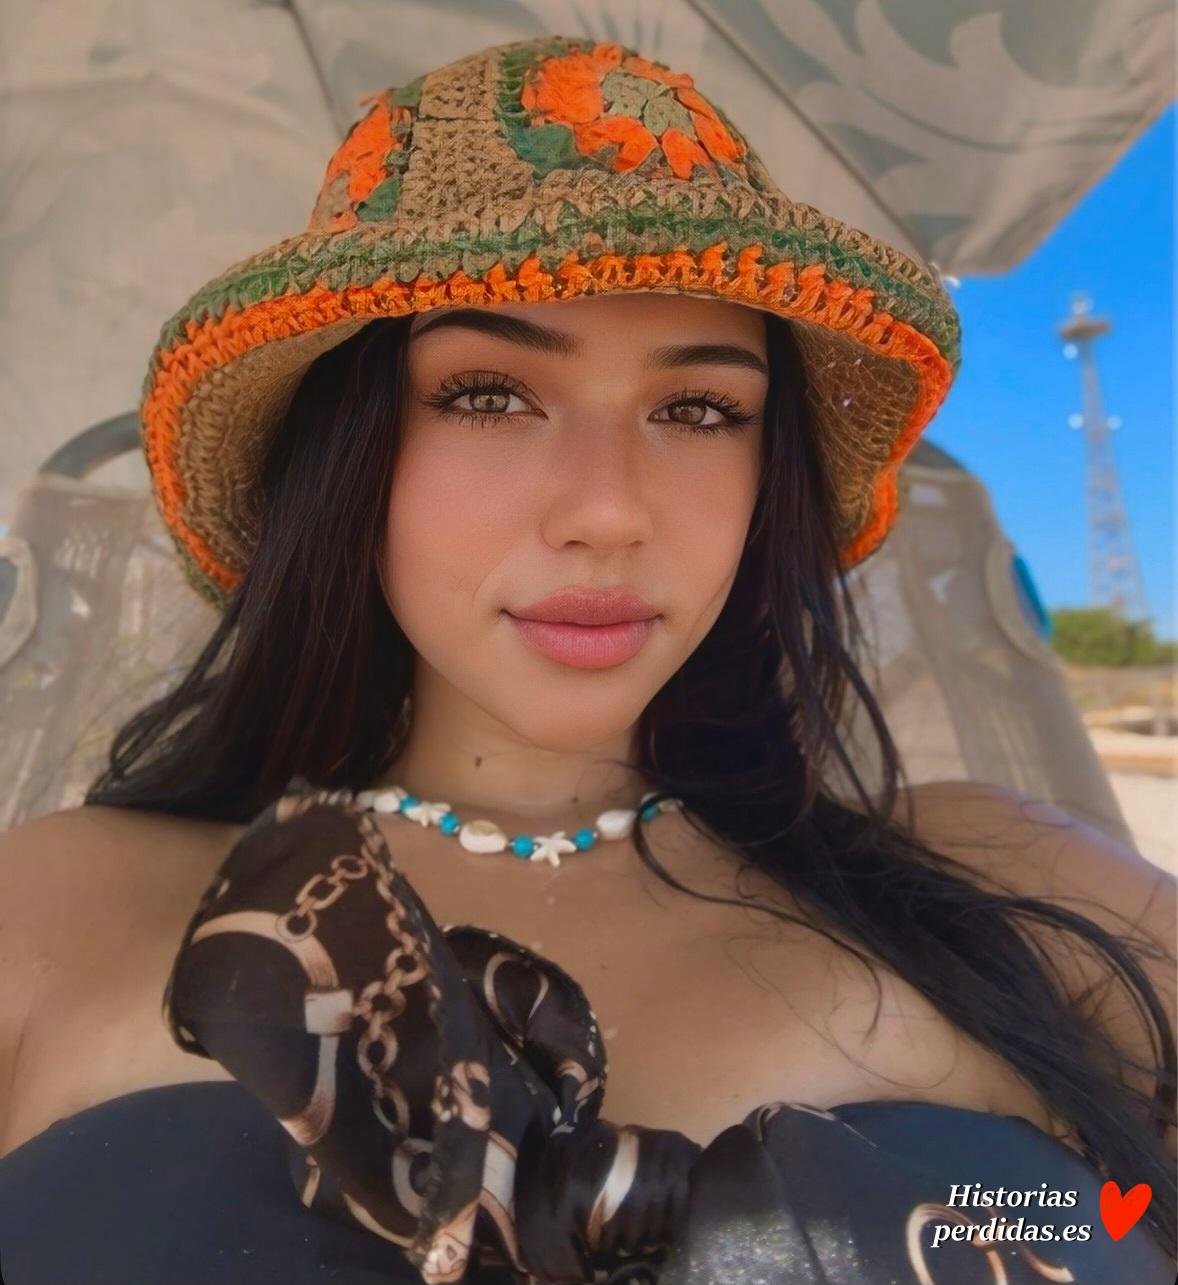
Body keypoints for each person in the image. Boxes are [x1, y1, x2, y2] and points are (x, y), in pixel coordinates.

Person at [0, 33, 1173, 1285]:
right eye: (487, 394)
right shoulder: (55, 908)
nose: (608, 510)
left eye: (698, 410)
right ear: (343, 451)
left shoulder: (1019, 891)